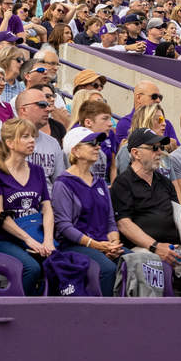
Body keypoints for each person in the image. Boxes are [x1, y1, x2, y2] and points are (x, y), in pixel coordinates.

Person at [112, 126, 181, 297]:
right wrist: (155, 247)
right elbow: (124, 224)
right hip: (143, 249)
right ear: (136, 153)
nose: (159, 152)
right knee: (152, 264)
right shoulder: (123, 183)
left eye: (161, 148)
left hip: (174, 247)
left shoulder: (164, 182)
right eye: (154, 148)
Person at [0, 118, 55, 294]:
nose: (32, 140)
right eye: (25, 137)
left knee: (57, 264)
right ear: (10, 143)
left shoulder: (37, 170)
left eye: (32, 136)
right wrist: (28, 240)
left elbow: (46, 208)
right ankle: (15, 311)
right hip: (2, 237)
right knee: (31, 268)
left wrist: (48, 240)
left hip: (33, 232)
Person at [51, 126, 121, 295]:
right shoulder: (63, 184)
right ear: (75, 150)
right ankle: (102, 316)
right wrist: (96, 245)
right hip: (74, 246)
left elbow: (110, 222)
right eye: (92, 143)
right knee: (107, 269)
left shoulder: (100, 183)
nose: (98, 146)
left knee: (138, 262)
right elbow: (64, 227)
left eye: (98, 143)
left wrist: (113, 244)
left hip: (102, 244)